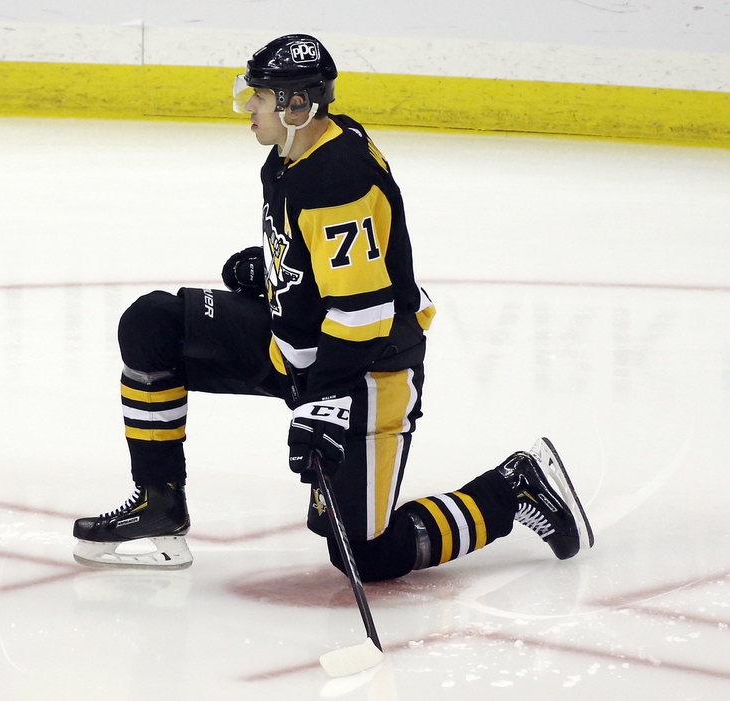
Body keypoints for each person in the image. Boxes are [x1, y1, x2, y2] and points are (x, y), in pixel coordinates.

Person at [72, 35, 593, 579]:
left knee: (362, 555)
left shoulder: (336, 179)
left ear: (297, 106)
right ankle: (160, 509)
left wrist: (323, 405)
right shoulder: (294, 152)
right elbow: (330, 262)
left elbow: (364, 316)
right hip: (295, 349)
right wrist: (278, 270)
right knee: (151, 323)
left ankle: (512, 488)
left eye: (261, 95)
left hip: (367, 371)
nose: (249, 105)